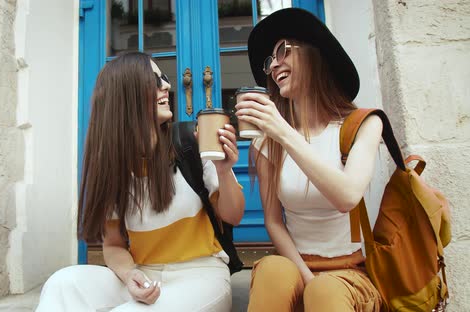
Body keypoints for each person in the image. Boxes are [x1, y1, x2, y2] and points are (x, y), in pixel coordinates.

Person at [36, 52, 245, 311]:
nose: (167, 86)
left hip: (201, 275)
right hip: (146, 274)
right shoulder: (113, 167)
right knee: (62, 284)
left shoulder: (191, 141)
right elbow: (113, 245)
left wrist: (224, 172)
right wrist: (129, 274)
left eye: (164, 79)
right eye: (154, 80)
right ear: (126, 95)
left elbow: (233, 216)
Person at [234, 8, 384, 312]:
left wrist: (285, 134)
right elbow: (274, 222)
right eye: (270, 61)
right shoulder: (266, 143)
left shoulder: (361, 125)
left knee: (326, 292)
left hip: (352, 270)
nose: (274, 65)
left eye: (282, 51)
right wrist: (306, 278)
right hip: (296, 264)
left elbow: (347, 197)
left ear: (314, 54)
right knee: (271, 271)